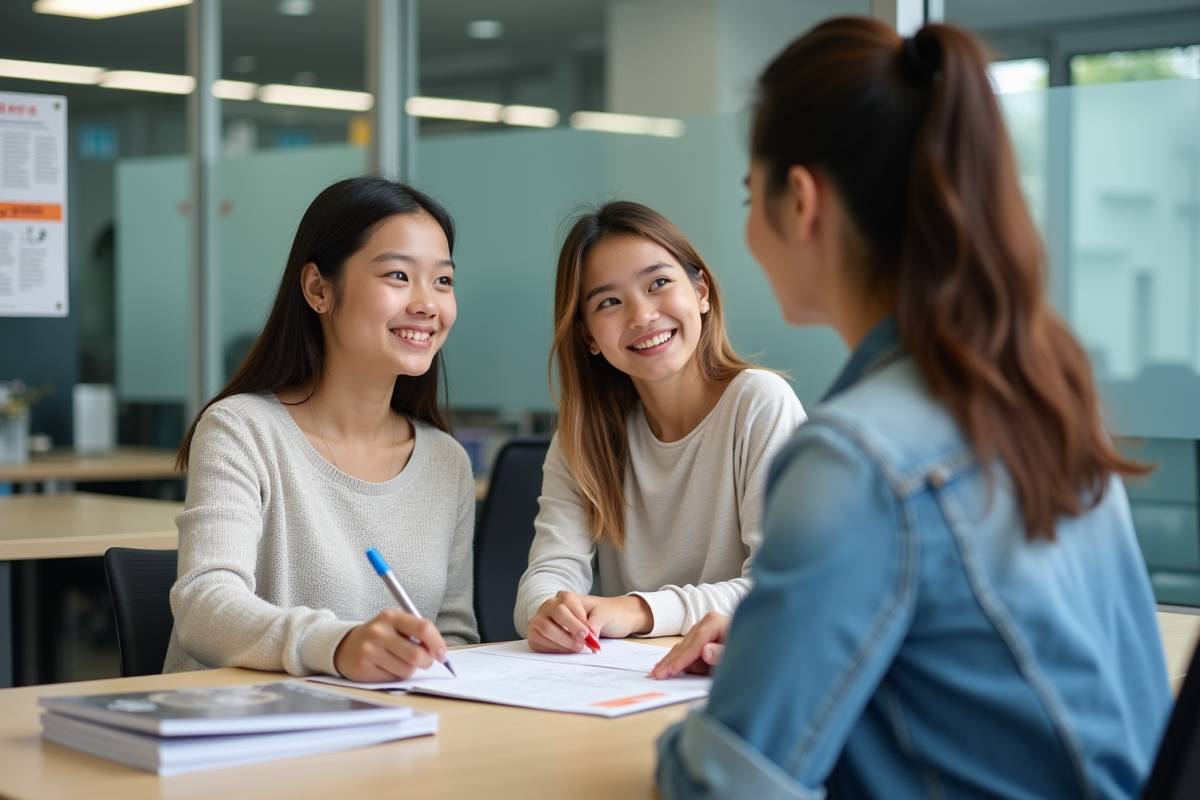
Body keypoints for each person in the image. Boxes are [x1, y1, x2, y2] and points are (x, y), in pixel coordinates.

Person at [653, 18, 1171, 800]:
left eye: (748, 194)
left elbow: (724, 783)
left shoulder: (856, 457)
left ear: (801, 201)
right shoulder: (1042, 400)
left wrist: (703, 725)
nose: (747, 230)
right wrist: (785, 646)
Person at [164, 177, 478, 681]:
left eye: (443, 281)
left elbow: (454, 636)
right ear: (318, 289)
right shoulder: (242, 429)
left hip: (385, 733)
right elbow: (204, 606)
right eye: (398, 275)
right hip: (239, 736)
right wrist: (339, 645)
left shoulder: (446, 460)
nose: (427, 303)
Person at [514, 201, 806, 652]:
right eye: (609, 302)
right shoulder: (585, 439)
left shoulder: (758, 403)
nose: (641, 315)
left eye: (659, 283)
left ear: (701, 292)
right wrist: (548, 612)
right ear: (589, 335)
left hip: (738, 674)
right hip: (628, 681)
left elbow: (784, 585)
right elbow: (549, 573)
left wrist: (637, 609)